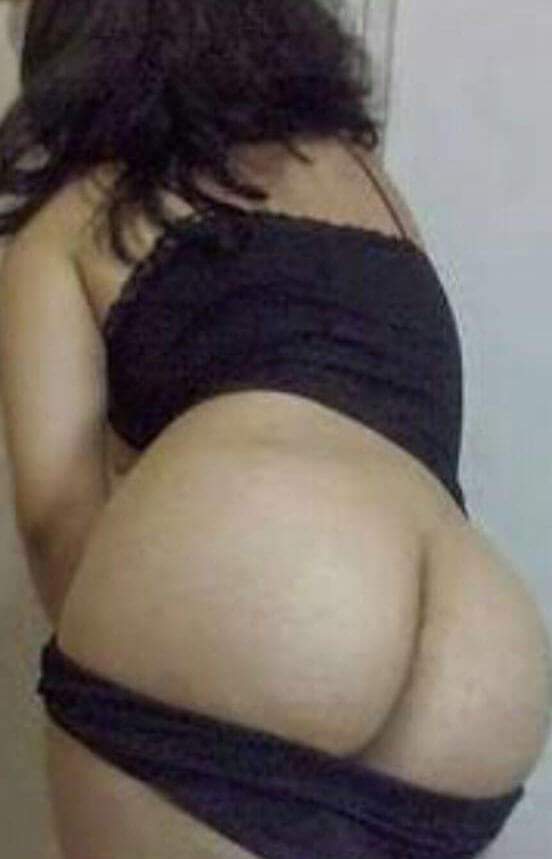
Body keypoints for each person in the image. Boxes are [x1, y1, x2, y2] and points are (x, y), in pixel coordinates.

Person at [0, 1, 550, 857]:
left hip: (260, 574)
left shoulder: (75, 214)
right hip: (483, 658)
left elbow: (55, 516)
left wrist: (154, 633)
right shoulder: (370, 186)